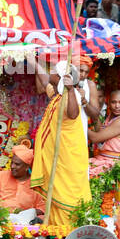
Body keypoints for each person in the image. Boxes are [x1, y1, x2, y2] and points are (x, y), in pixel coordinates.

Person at [30, 59, 94, 228]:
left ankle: (67, 235)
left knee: (67, 202)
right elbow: (45, 82)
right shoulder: (58, 96)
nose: (49, 72)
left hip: (67, 164)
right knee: (54, 202)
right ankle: (55, 233)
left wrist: (71, 88)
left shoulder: (69, 98)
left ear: (59, 77)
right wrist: (33, 62)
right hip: (56, 164)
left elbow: (73, 114)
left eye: (52, 71)